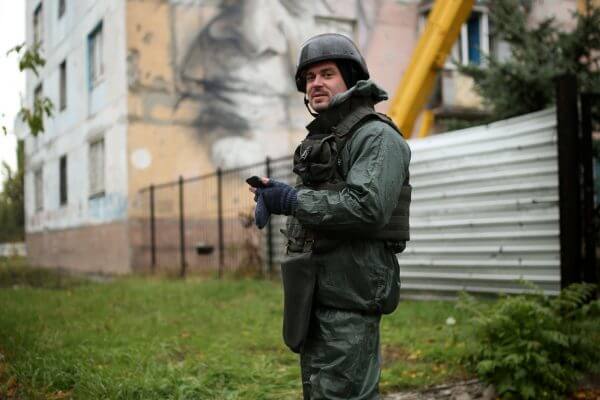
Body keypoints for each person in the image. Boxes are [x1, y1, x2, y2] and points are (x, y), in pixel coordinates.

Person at [248, 33, 411, 399]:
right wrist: (275, 194)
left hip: (350, 300)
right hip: (317, 295)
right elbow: (319, 201)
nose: (315, 84)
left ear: (351, 79)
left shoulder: (376, 138)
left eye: (326, 74)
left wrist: (291, 200)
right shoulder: (330, 139)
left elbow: (367, 207)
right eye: (309, 78)